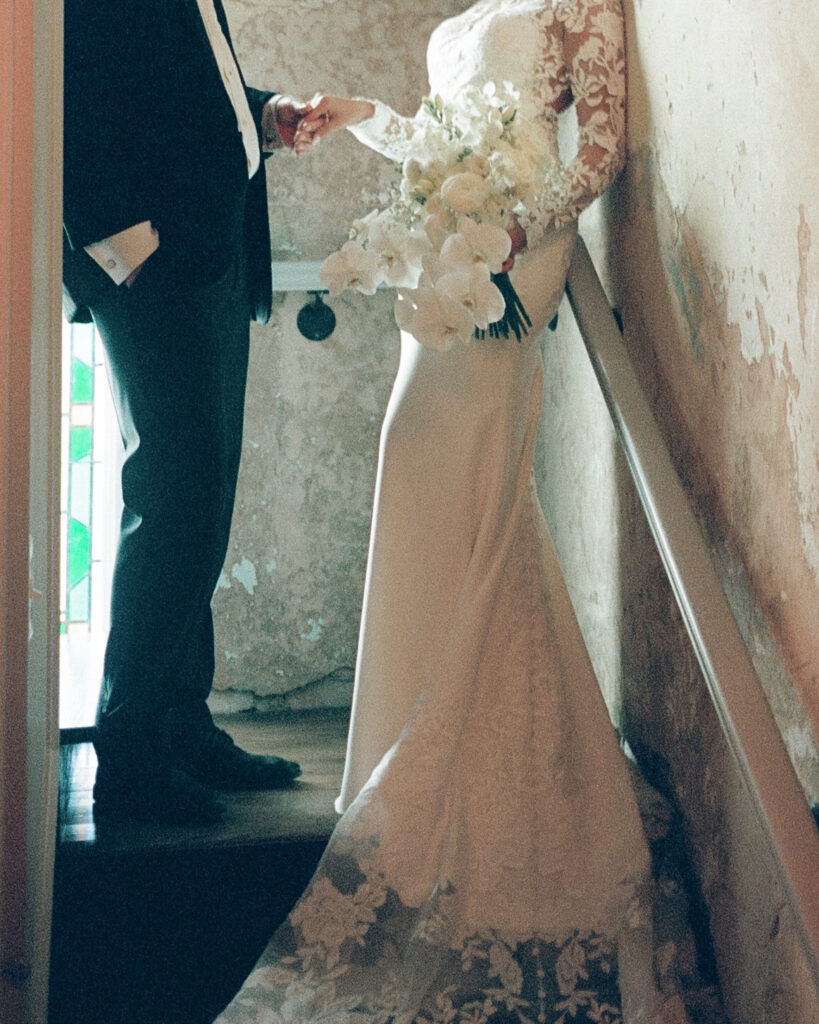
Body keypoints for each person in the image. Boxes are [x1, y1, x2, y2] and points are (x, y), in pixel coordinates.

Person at [216, 0, 686, 1020]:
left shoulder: (580, 5)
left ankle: (463, 743)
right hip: (448, 251)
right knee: (418, 463)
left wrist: (526, 222)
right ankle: (417, 725)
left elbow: (602, 146)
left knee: (458, 463)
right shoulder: (463, 18)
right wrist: (361, 114)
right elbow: (433, 140)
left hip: (520, 251)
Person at [62, 0, 309, 826]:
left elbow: (181, 95)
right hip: (154, 260)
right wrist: (127, 249)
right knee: (175, 501)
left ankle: (181, 723)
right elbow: (70, 88)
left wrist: (265, 114)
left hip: (213, 244)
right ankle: (130, 755)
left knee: (199, 499)